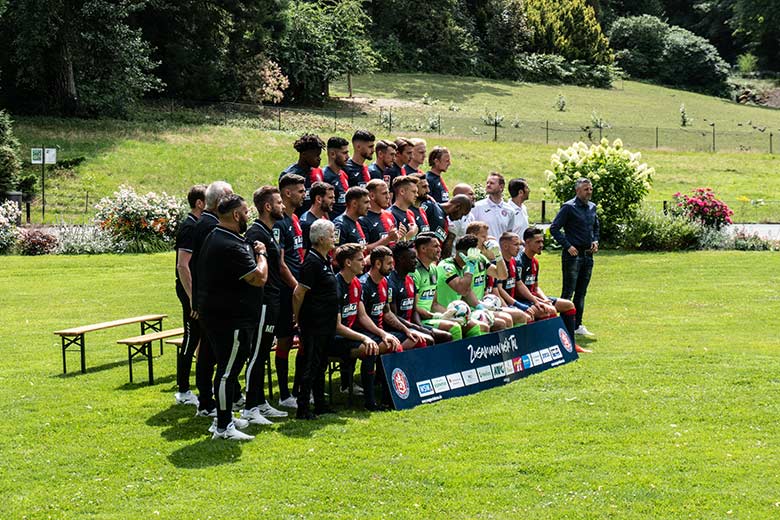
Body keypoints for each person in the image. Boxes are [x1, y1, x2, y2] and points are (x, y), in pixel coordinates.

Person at [196, 194, 268, 440]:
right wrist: (262, 255)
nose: (248, 216)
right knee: (228, 372)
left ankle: (222, 417)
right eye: (246, 212)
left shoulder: (215, 236)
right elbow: (259, 278)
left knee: (225, 369)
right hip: (231, 318)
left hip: (218, 315)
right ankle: (223, 427)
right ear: (236, 215)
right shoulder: (231, 244)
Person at [241, 186, 290, 425]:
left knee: (262, 353)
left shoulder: (269, 232)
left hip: (273, 300)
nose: (283, 206)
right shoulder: (255, 234)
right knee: (258, 354)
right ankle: (249, 407)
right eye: (279, 202)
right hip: (261, 302)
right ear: (268, 206)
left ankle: (259, 402)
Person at [333, 243, 401, 411]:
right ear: (348, 263)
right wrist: (365, 337)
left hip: (352, 335)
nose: (364, 262)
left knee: (391, 344)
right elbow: (337, 326)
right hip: (334, 339)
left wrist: (383, 334)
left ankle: (389, 398)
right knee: (371, 348)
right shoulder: (336, 285)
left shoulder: (355, 283)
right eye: (360, 259)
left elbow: (362, 316)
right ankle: (370, 403)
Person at [189, 181, 237, 418]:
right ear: (220, 201)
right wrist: (196, 301)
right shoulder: (210, 226)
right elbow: (198, 266)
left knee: (208, 351)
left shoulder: (206, 223)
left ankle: (207, 400)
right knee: (213, 352)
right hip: (212, 300)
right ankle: (212, 401)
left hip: (206, 298)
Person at [292, 219, 339, 419]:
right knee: (311, 365)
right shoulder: (311, 262)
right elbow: (298, 293)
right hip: (314, 323)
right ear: (320, 239)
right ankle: (303, 408)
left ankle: (320, 403)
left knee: (321, 364)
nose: (334, 238)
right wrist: (297, 318)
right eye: (330, 235)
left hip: (326, 322)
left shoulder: (324, 259)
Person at [517, 227, 587, 353]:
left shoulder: (535, 262)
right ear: (527, 242)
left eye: (542, 242)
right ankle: (551, 345)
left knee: (568, 305)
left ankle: (570, 344)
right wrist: (540, 302)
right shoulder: (519, 262)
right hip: (524, 300)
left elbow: (536, 287)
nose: (541, 245)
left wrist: (545, 299)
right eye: (537, 242)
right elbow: (519, 288)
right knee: (550, 310)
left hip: (535, 298)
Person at [549, 178, 600, 338]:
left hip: (588, 255)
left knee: (581, 292)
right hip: (573, 255)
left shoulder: (592, 207)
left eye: (590, 189)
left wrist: (595, 240)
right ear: (577, 190)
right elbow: (554, 228)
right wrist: (567, 245)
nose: (589, 192)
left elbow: (596, 227)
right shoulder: (568, 207)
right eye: (586, 189)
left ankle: (577, 324)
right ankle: (563, 325)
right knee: (568, 291)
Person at [274, 173, 307, 409]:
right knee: (285, 340)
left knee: (303, 338)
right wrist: (296, 286)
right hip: (286, 292)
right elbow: (281, 263)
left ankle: (298, 389)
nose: (303, 194)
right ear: (287, 193)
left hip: (299, 289)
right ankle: (284, 394)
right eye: (300, 191)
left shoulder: (295, 219)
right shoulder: (279, 223)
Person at [359, 246, 430, 351]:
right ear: (378, 264)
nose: (392, 268)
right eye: (389, 264)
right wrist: (382, 333)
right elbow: (361, 318)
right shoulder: (363, 285)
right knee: (395, 346)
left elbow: (387, 313)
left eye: (392, 264)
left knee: (419, 340)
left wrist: (407, 330)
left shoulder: (384, 282)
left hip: (380, 331)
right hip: (366, 332)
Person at [174, 184, 206, 407]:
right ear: (199, 203)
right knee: (191, 336)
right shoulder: (189, 227)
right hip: (189, 290)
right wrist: (192, 298)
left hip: (198, 290)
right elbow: (182, 266)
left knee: (201, 336)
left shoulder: (198, 226)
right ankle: (183, 389)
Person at [435, 234, 507, 332]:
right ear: (468, 252)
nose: (479, 253)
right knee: (484, 326)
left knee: (501, 323)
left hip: (462, 310)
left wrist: (498, 255)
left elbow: (502, 275)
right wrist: (470, 268)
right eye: (476, 251)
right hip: (445, 311)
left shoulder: (477, 260)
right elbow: (463, 291)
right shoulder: (446, 266)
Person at [411, 233, 474, 340]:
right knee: (454, 328)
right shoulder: (414, 272)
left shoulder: (434, 269)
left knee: (471, 324)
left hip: (430, 316)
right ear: (423, 248)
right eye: (435, 246)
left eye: (440, 246)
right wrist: (437, 316)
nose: (439, 249)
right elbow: (415, 308)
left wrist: (450, 315)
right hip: (418, 320)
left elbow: (434, 304)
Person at [387, 241, 449, 344]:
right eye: (412, 258)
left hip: (411, 325)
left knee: (446, 336)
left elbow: (414, 310)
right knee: (428, 340)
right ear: (401, 259)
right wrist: (414, 327)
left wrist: (420, 326)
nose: (416, 261)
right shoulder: (391, 283)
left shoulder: (410, 280)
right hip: (397, 328)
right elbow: (393, 315)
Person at [279, 133, 325, 216]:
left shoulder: (318, 172)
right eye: (316, 155)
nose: (319, 158)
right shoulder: (289, 175)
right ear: (304, 155)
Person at [422, 193, 472, 258]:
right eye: (462, 214)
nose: (460, 218)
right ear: (457, 207)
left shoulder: (446, 222)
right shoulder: (431, 206)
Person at [360, 178, 403, 253]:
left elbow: (394, 242)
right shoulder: (362, 219)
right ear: (372, 196)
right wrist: (387, 239)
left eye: (388, 193)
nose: (388, 197)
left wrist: (401, 237)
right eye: (384, 193)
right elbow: (363, 249)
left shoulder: (389, 215)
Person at [470, 172, 515, 240]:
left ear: (501, 187)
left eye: (492, 183)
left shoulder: (510, 210)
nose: (488, 185)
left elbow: (508, 234)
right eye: (487, 183)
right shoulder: (477, 207)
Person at [300, 181, 334, 250]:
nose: (333, 201)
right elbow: (303, 253)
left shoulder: (323, 218)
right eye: (330, 198)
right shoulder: (306, 223)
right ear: (319, 199)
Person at [323, 136, 351, 219]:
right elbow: (323, 207)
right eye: (344, 153)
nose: (348, 157)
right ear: (332, 154)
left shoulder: (344, 174)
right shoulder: (324, 176)